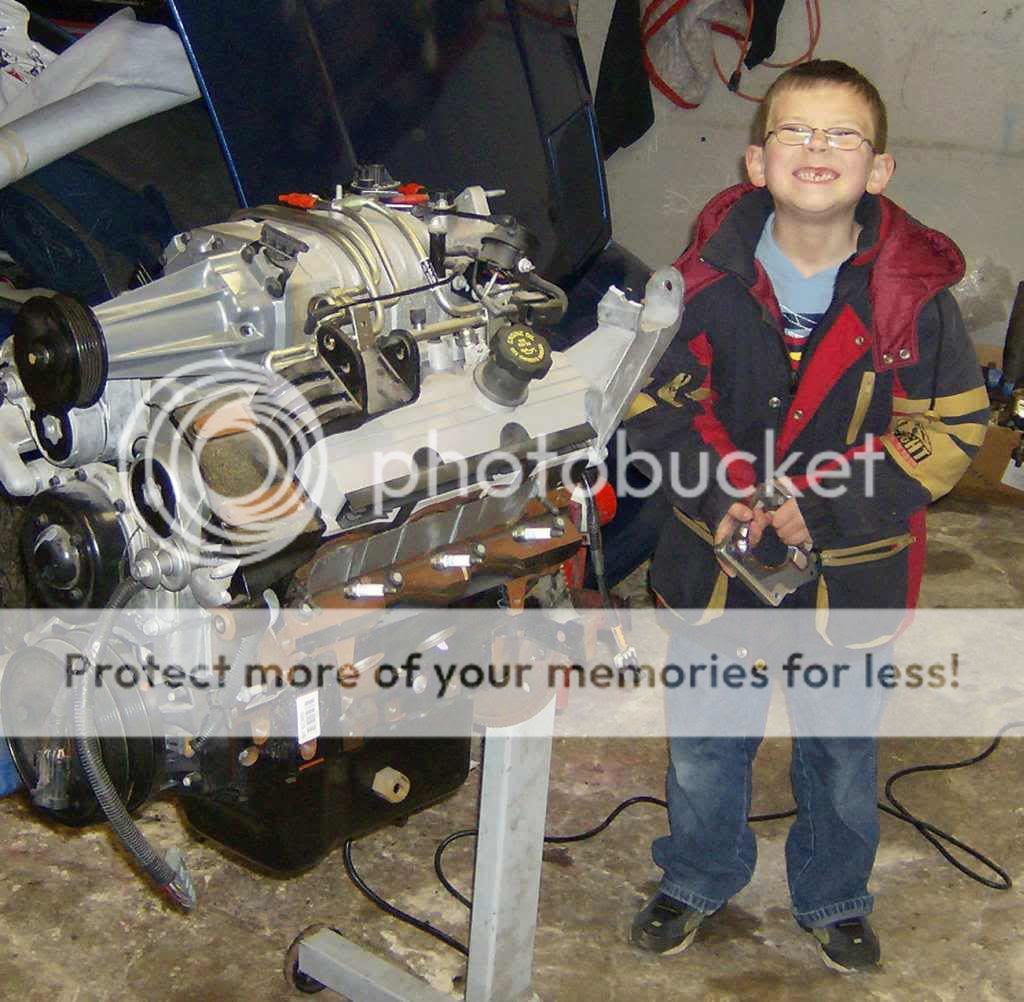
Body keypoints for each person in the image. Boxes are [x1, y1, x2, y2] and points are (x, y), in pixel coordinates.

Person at [624, 59, 989, 971]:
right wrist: (727, 492)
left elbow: (946, 432)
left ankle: (834, 894)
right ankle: (697, 873)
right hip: (717, 564)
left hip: (852, 572)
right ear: (756, 161)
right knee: (705, 746)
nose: (817, 148)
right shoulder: (698, 286)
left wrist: (818, 506)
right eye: (794, 131)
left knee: (840, 751)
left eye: (842, 136)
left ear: (879, 169)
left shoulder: (916, 301)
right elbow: (651, 405)